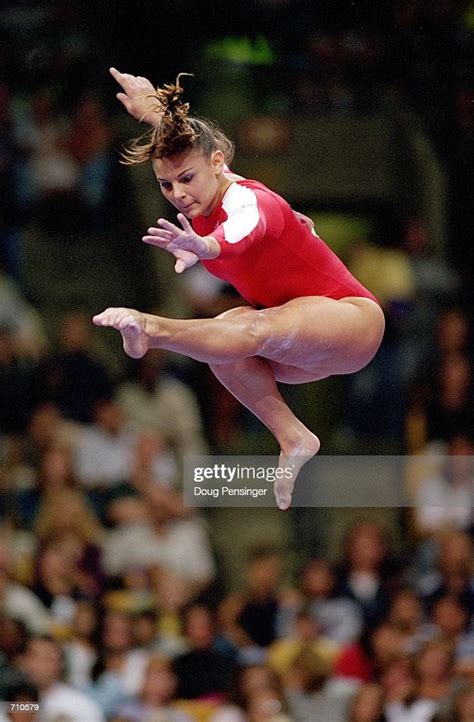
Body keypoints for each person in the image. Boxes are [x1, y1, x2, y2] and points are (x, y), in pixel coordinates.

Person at [93, 68, 385, 510]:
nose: (177, 194)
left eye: (186, 180)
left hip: (350, 319)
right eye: (165, 185)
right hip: (298, 348)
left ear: (216, 165)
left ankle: (152, 329)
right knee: (224, 347)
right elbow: (190, 145)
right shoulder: (204, 174)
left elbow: (243, 230)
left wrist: (206, 244)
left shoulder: (250, 200)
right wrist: (154, 109)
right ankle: (294, 436)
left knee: (245, 325)